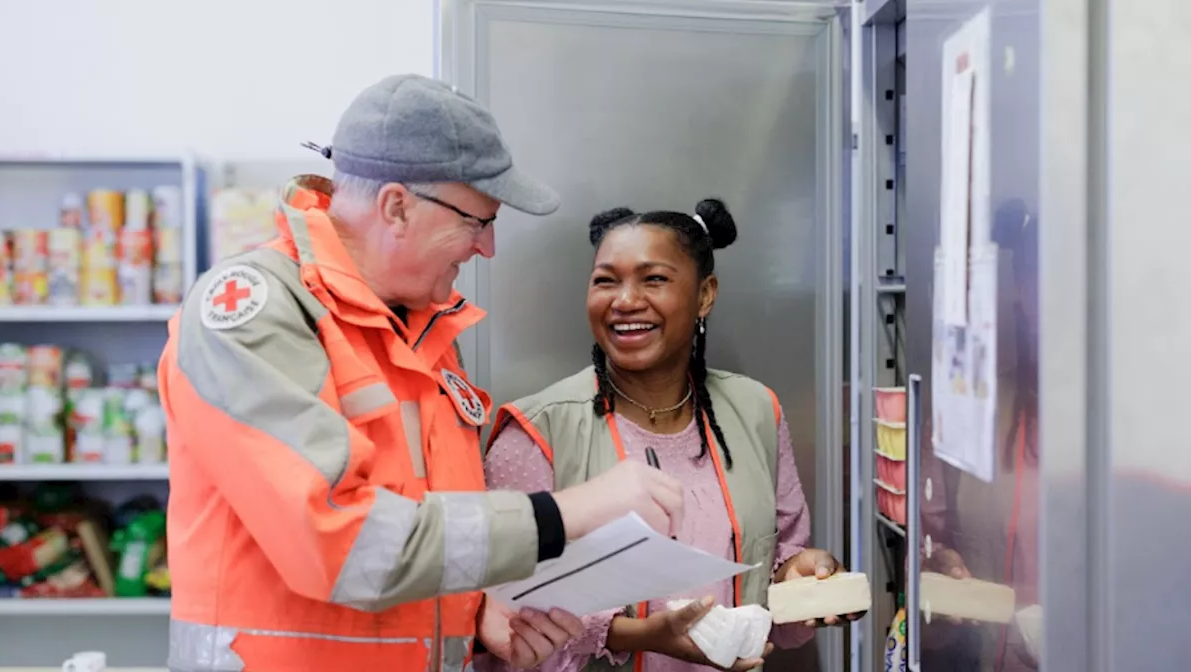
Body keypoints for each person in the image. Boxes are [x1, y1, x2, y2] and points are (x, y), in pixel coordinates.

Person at [156, 74, 685, 672]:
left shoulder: (421, 328)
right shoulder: (254, 314)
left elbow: (426, 527)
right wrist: (569, 512)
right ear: (397, 206)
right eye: (478, 222)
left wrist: (476, 614)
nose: (486, 248)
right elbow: (345, 544)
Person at [477, 200, 860, 671]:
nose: (625, 300)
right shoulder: (538, 429)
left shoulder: (756, 410)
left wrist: (798, 579)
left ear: (705, 295)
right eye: (605, 280)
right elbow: (502, 607)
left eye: (653, 278)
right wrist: (645, 637)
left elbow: (777, 569)